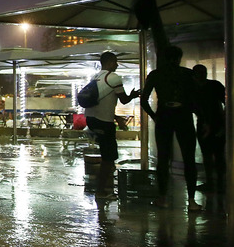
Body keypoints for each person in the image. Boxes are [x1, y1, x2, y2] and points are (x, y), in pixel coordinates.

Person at [141, 46, 200, 210]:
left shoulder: (156, 74)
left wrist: (155, 116)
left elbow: (144, 100)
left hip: (164, 117)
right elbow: (196, 99)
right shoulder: (188, 74)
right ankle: (192, 201)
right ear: (180, 58)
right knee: (189, 158)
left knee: (163, 158)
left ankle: (163, 198)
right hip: (184, 116)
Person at [85, 51, 140, 200]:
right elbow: (124, 100)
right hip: (104, 122)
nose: (117, 65)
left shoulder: (95, 77)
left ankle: (103, 187)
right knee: (109, 157)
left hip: (91, 119)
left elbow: (100, 102)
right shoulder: (114, 78)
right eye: (115, 62)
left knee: (107, 155)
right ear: (109, 62)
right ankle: (101, 191)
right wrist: (133, 95)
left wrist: (116, 117)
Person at [192, 64, 225, 193]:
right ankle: (218, 182)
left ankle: (212, 182)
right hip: (215, 123)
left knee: (210, 154)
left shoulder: (194, 89)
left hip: (208, 123)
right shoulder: (214, 86)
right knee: (217, 154)